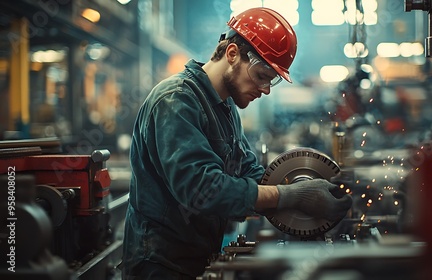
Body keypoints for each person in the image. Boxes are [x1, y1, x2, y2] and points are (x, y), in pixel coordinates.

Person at [121, 7, 353, 280]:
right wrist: (288, 196)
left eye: (272, 81)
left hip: (194, 255)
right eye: (262, 76)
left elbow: (249, 171)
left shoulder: (225, 107)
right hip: (160, 264)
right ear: (232, 54)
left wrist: (302, 190)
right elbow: (201, 189)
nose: (266, 90)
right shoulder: (175, 101)